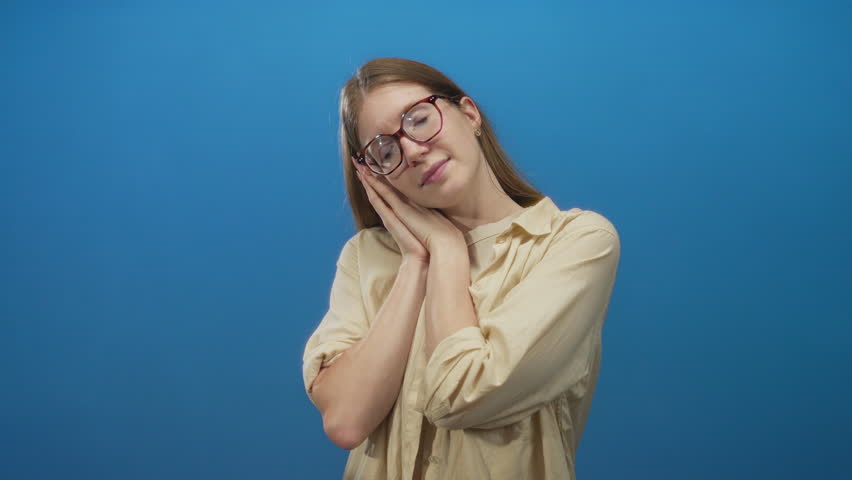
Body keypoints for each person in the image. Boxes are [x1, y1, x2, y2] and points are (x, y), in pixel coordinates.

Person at [302, 57, 621, 480]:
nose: (412, 150)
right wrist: (417, 262)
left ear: (470, 114)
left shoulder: (574, 243)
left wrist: (448, 252)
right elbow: (346, 421)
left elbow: (462, 393)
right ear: (375, 175)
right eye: (385, 150)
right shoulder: (367, 256)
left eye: (418, 119)